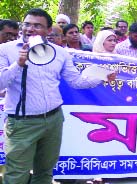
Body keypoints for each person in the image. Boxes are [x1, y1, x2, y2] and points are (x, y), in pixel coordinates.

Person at [0, 8, 116, 184]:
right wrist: (18, 64)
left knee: (45, 172)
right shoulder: (5, 50)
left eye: (37, 25)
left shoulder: (60, 53)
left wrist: (102, 77)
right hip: (21, 123)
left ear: (48, 30)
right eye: (27, 24)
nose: (30, 29)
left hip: (53, 121)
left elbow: (76, 81)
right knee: (17, 175)